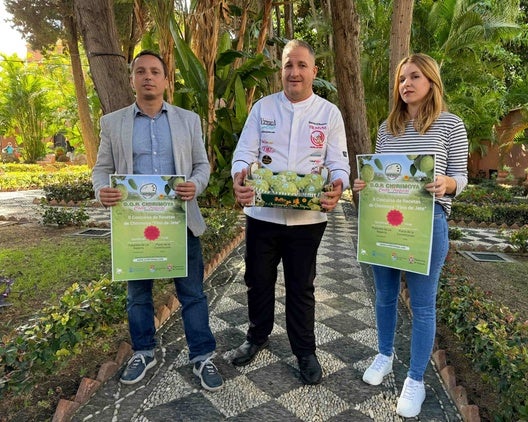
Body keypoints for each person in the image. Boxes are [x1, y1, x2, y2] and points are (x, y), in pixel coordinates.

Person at [92, 50, 223, 391]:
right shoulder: (113, 123)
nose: (148, 76)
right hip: (134, 225)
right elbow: (102, 169)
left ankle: (202, 355)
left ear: (166, 80)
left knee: (192, 292)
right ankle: (144, 351)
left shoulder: (188, 120)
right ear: (132, 79)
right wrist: (101, 190)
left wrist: (197, 184)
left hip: (180, 220)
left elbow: (201, 165)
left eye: (155, 71)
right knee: (138, 296)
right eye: (140, 71)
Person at [353, 53, 468, 418]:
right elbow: (384, 177)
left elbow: (462, 178)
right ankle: (384, 355)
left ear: (431, 82)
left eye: (414, 76)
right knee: (384, 295)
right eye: (402, 78)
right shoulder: (388, 129)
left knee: (421, 304)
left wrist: (448, 183)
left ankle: (415, 379)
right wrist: (364, 184)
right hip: (386, 222)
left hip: (428, 223)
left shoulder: (451, 126)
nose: (406, 84)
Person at [230, 39, 350, 385]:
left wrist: (338, 185)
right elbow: (244, 153)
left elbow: (338, 162)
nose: (294, 72)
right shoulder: (263, 109)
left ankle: (304, 350)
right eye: (288, 65)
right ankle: (257, 336)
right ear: (281, 70)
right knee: (257, 280)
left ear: (314, 71)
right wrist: (240, 176)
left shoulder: (328, 114)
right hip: (261, 217)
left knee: (301, 285)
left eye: (301, 65)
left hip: (307, 221)